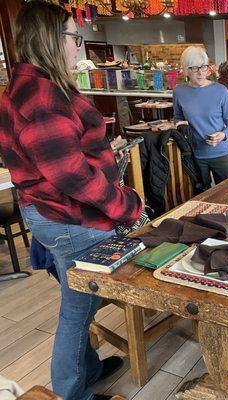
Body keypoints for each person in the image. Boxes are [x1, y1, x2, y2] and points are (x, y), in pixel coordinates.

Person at [0, 2, 143, 400]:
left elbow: (64, 158)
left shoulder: (34, 84)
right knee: (78, 310)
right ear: (51, 38)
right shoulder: (42, 94)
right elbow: (70, 175)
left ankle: (89, 369)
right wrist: (124, 204)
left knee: (84, 302)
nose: (77, 46)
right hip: (69, 218)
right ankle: (70, 393)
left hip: (57, 213)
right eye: (72, 36)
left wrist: (101, 152)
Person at [173, 46, 228, 187]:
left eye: (203, 67)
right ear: (185, 70)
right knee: (200, 198)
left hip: (220, 153)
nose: (200, 73)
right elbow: (177, 117)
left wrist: (222, 135)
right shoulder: (179, 91)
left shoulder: (220, 90)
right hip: (194, 155)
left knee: (227, 194)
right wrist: (179, 124)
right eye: (194, 68)